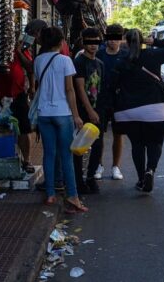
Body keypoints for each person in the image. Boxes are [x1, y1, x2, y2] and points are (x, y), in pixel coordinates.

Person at [112, 29, 164, 193]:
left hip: (128, 110)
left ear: (126, 41)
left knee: (137, 145)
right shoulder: (154, 55)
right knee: (155, 143)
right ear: (142, 41)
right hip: (155, 109)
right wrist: (153, 42)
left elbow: (113, 86)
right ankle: (150, 170)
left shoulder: (120, 60)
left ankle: (141, 179)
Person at [33, 26, 87, 212]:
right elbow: (70, 90)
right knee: (66, 156)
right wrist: (77, 115)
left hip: (43, 113)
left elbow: (38, 85)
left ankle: (50, 194)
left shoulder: (38, 60)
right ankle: (72, 196)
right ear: (60, 42)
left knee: (49, 154)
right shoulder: (65, 60)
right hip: (62, 113)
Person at [0, 19, 47, 173]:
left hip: (18, 94)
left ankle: (26, 160)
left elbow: (30, 67)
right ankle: (3, 159)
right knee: (1, 127)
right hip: (0, 95)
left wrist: (32, 87)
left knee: (24, 128)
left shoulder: (24, 50)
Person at [72, 28, 105, 193]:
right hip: (83, 111)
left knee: (98, 145)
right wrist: (89, 111)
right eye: (89, 41)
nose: (93, 45)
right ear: (84, 43)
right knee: (80, 147)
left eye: (96, 41)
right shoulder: (79, 62)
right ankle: (79, 182)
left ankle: (91, 177)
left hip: (97, 111)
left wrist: (99, 111)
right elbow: (79, 89)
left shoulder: (100, 64)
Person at [95, 24, 128, 181]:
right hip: (101, 100)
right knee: (98, 135)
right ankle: (98, 165)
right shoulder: (99, 54)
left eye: (117, 38)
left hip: (119, 100)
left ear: (121, 39)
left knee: (118, 134)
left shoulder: (126, 55)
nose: (113, 41)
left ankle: (115, 167)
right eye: (111, 38)